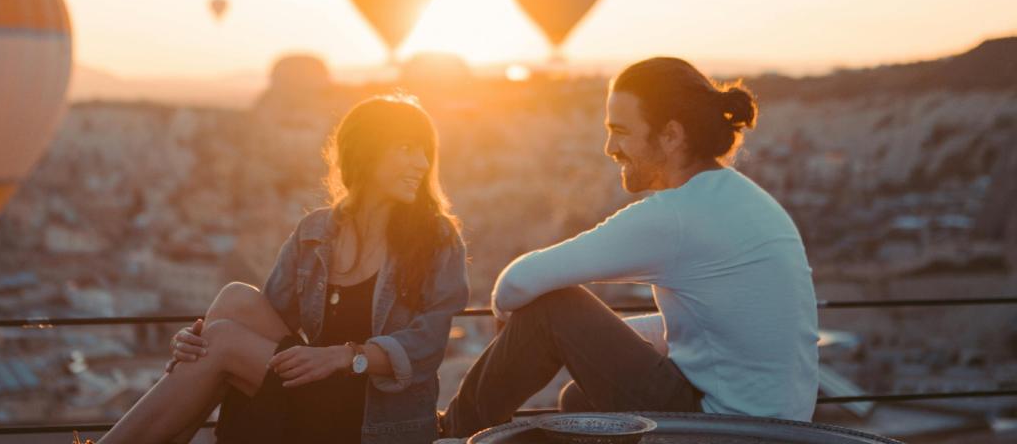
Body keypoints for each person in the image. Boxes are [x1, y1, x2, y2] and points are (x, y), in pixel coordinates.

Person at [440, 57, 819, 439]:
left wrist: (514, 317)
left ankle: (451, 431)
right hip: (775, 432)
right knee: (579, 403)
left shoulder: (675, 216)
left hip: (720, 430)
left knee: (553, 307)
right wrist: (591, 337)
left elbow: (518, 281)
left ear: (671, 136)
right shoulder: (746, 200)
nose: (609, 148)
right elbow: (717, 330)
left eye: (620, 131)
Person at [90, 93, 469, 444]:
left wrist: (345, 355)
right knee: (233, 300)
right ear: (366, 153)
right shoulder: (317, 231)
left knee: (221, 340)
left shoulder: (435, 237)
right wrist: (191, 343)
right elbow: (258, 320)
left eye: (425, 152)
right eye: (406, 148)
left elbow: (430, 342)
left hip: (376, 414)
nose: (421, 163)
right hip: (312, 389)